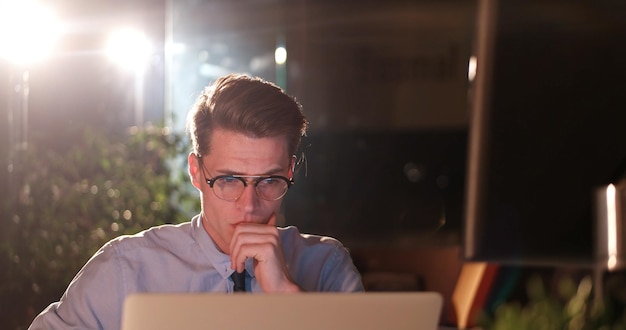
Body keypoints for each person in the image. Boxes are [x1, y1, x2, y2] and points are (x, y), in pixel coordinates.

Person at [29, 73, 364, 329]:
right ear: (195, 171)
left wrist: (288, 298)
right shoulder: (126, 268)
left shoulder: (326, 267)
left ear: (290, 171)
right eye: (229, 180)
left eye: (269, 181)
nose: (249, 205)